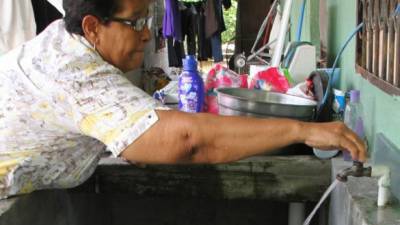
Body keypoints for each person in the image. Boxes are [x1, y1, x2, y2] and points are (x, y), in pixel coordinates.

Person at [0, 0, 366, 200]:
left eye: (148, 22)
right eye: (136, 23)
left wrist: (125, 140)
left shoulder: (68, 45)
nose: (148, 36)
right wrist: (302, 131)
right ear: (93, 26)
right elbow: (188, 141)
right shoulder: (72, 69)